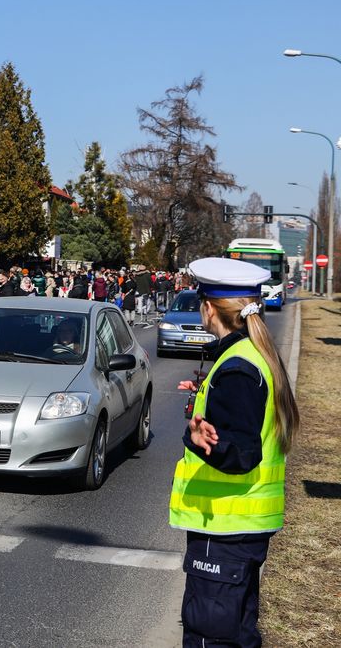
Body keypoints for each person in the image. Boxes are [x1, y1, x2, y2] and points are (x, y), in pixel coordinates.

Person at [170, 257, 300, 648]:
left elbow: (241, 454)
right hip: (243, 531)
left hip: (225, 530)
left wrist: (198, 440)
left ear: (210, 308)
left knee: (211, 638)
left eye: (199, 302)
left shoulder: (237, 368)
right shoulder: (251, 355)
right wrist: (205, 405)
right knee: (238, 634)